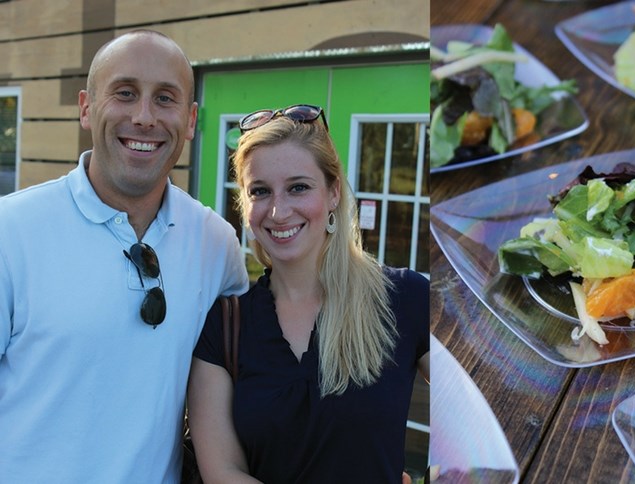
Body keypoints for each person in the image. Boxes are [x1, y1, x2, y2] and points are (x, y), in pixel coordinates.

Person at [0, 30, 249, 483]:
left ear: (191, 120)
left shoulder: (217, 243)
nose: (144, 117)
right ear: (86, 107)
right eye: (125, 93)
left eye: (165, 99)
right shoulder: (10, 231)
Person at [187, 104, 430, 483]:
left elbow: (477, 415)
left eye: (298, 187)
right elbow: (224, 472)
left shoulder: (406, 298)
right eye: (261, 192)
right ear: (245, 206)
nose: (279, 211)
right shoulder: (225, 325)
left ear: (333, 192)